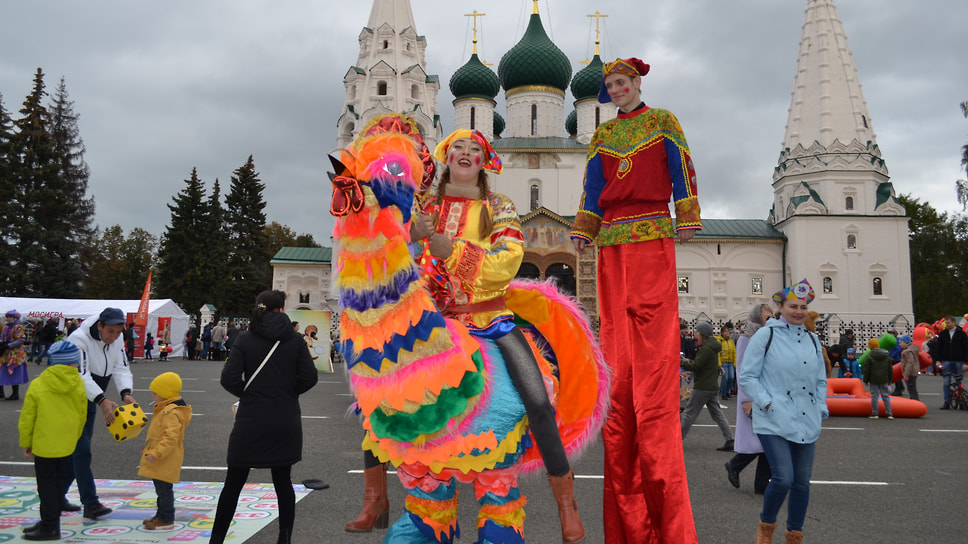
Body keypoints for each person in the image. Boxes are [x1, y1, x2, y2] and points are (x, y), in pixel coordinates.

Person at [375, 128, 586, 542]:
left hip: (489, 318)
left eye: (475, 148)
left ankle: (565, 501)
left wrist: (449, 248)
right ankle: (377, 496)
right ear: (446, 156)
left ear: (484, 162)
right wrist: (407, 237)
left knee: (538, 401)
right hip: (434, 321)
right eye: (459, 147)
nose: (466, 153)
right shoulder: (425, 206)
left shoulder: (499, 206)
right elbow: (391, 261)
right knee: (379, 399)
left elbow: (508, 261)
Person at [569, 56, 701, 542]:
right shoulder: (602, 136)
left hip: (651, 231)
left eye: (622, 82)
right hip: (612, 240)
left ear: (636, 83)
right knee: (616, 333)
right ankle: (621, 376)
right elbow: (593, 187)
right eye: (611, 85)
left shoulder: (663, 120)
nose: (617, 89)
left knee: (651, 317)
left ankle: (653, 386)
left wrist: (687, 215)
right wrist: (584, 229)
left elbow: (680, 166)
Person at [210, 290, 318, 544]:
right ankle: (284, 539)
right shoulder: (294, 340)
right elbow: (310, 378)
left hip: (251, 420)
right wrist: (287, 392)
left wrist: (249, 393)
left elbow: (229, 378)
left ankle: (216, 540)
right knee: (282, 481)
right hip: (284, 419)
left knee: (234, 482)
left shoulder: (245, 338)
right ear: (281, 310)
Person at [739, 279, 827, 543]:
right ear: (780, 307)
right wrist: (767, 403)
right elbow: (748, 376)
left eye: (803, 306)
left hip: (806, 418)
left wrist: (821, 405)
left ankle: (794, 535)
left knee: (801, 482)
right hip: (773, 418)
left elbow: (821, 379)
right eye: (792, 306)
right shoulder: (767, 334)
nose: (798, 311)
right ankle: (766, 528)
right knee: (783, 478)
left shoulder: (812, 339)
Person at [65, 307, 137, 520]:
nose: (114, 337)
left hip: (94, 395)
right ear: (99, 326)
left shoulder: (117, 337)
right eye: (110, 332)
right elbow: (81, 375)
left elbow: (121, 367)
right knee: (82, 450)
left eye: (118, 332)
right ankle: (91, 503)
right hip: (75, 396)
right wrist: (102, 401)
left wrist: (125, 393)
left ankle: (57, 496)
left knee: (78, 451)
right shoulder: (78, 339)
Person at [17, 341, 87, 541]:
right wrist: (74, 436)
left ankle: (50, 525)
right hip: (67, 443)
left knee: (46, 486)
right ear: (74, 363)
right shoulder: (79, 383)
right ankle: (50, 520)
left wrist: (26, 441)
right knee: (57, 485)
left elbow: (28, 418)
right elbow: (82, 415)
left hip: (44, 444)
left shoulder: (39, 384)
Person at [726, 304, 773, 495]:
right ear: (756, 317)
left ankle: (741, 469)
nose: (769, 320)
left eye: (771, 316)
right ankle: (738, 467)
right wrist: (746, 399)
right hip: (752, 396)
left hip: (764, 394)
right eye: (766, 317)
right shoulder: (746, 338)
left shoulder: (766, 336)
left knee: (768, 440)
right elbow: (742, 370)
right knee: (766, 440)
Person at [138, 372, 192, 531]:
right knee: (161, 489)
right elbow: (159, 435)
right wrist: (150, 450)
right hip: (162, 456)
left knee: (164, 490)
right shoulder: (166, 409)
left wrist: (156, 453)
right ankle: (161, 514)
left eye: (155, 393)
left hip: (165, 458)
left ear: (164, 394)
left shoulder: (170, 412)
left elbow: (170, 437)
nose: (153, 396)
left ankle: (166, 518)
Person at [680, 321, 733, 451]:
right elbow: (701, 364)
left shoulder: (706, 348)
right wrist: (688, 361)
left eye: (697, 331)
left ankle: (677, 440)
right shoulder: (712, 346)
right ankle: (730, 439)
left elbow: (696, 366)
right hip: (712, 386)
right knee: (717, 414)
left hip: (703, 386)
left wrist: (681, 362)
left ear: (703, 334)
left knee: (689, 414)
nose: (695, 333)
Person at [934, 316, 968, 409]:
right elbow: (939, 348)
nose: (946, 325)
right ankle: (947, 401)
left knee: (959, 381)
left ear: (953, 322)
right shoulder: (943, 334)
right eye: (946, 323)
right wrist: (937, 360)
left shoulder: (961, 334)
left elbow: (966, 348)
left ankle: (962, 402)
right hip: (946, 360)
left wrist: (966, 363)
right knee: (946, 382)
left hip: (959, 361)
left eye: (948, 323)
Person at [1, 309, 31, 401]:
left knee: (14, 371)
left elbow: (21, 339)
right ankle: (2, 392)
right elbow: (2, 337)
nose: (8, 319)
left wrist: (8, 345)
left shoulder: (18, 327)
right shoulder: (6, 327)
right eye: (7, 317)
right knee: (3, 370)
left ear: (14, 318)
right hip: (6, 353)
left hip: (16, 353)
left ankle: (15, 393)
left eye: (10, 317)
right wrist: (2, 343)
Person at [862, 338, 894, 420]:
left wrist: (865, 380)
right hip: (884, 378)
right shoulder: (886, 355)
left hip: (873, 379)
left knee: (874, 396)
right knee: (885, 396)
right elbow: (890, 368)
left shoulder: (870, 356)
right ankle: (889, 413)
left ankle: (875, 413)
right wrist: (890, 379)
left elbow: (866, 369)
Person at [898, 334, 920, 401]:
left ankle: (915, 403)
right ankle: (914, 401)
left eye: (901, 342)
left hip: (910, 372)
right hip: (913, 371)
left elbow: (909, 363)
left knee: (911, 388)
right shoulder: (912, 349)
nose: (900, 344)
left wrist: (906, 374)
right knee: (912, 388)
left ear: (905, 342)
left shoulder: (907, 351)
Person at [718, 324, 737, 400]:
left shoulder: (731, 341)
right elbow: (718, 352)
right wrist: (719, 363)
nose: (727, 333)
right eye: (725, 331)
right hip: (723, 362)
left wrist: (735, 362)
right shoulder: (719, 341)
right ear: (722, 332)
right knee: (725, 378)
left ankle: (727, 391)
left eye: (728, 331)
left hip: (731, 362)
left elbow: (734, 352)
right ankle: (723, 393)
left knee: (731, 377)